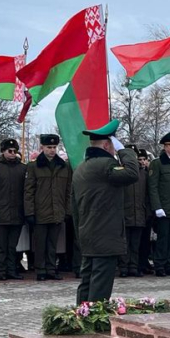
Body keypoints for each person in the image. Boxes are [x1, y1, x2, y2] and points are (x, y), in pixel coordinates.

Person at [72, 119, 139, 304]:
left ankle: (81, 315)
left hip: (86, 232)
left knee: (87, 280)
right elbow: (133, 173)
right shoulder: (106, 166)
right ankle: (94, 318)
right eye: (113, 145)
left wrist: (80, 231)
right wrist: (124, 150)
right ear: (108, 144)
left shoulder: (80, 169)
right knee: (101, 283)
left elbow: (74, 206)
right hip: (106, 233)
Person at [24, 134, 72, 281]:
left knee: (53, 244)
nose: (52, 150)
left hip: (57, 211)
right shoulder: (34, 166)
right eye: (48, 147)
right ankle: (40, 270)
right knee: (40, 244)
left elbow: (68, 191)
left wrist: (67, 210)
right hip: (40, 211)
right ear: (42, 148)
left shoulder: (63, 166)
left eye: (54, 147)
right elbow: (29, 190)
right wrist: (30, 212)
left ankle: (51, 269)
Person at [0, 139, 27, 281]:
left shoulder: (22, 168)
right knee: (1, 245)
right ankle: (1, 270)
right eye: (10, 151)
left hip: (17, 212)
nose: (13, 154)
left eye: (15, 151)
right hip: (0, 212)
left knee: (12, 245)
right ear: (3, 151)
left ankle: (11, 269)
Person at [148, 131, 170, 277]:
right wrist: (157, 207)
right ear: (165, 146)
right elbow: (153, 187)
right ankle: (159, 265)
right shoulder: (158, 163)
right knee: (162, 239)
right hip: (163, 208)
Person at [119, 147, 150, 277]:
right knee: (125, 243)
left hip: (140, 213)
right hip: (125, 213)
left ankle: (134, 266)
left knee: (136, 243)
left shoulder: (144, 174)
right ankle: (124, 267)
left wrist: (147, 211)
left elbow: (148, 194)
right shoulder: (122, 173)